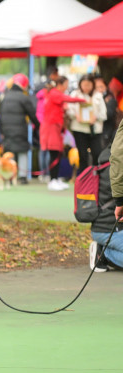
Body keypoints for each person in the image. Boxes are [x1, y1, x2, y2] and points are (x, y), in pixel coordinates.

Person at [39, 76, 85, 191]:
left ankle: (55, 178)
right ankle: (52, 180)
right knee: (54, 153)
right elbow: (68, 99)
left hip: (56, 127)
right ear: (60, 84)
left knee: (58, 153)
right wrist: (83, 100)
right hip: (51, 127)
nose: (67, 87)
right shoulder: (55, 93)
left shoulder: (55, 94)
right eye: (66, 85)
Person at [0, 73, 39, 184]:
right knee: (22, 151)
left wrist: (1, 130)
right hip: (20, 129)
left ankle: (9, 176)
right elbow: (32, 114)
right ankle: (22, 176)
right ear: (24, 85)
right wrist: (38, 126)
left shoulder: (5, 97)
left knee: (10, 152)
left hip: (6, 129)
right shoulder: (23, 98)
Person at [89, 143, 123, 272]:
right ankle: (103, 254)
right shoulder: (116, 168)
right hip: (109, 229)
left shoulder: (108, 159)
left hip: (105, 227)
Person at [66, 74, 107, 174]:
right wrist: (76, 115)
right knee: (83, 155)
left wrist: (95, 117)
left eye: (88, 85)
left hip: (95, 130)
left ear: (92, 84)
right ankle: (84, 178)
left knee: (97, 153)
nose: (86, 87)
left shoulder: (98, 96)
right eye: (84, 85)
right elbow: (69, 109)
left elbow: (104, 114)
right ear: (80, 84)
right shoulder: (75, 95)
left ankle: (97, 176)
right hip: (79, 129)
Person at [94, 75, 120, 146]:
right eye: (96, 87)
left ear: (106, 87)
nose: (99, 89)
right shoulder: (94, 99)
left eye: (101, 87)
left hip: (107, 132)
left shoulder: (110, 99)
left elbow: (108, 115)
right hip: (97, 132)